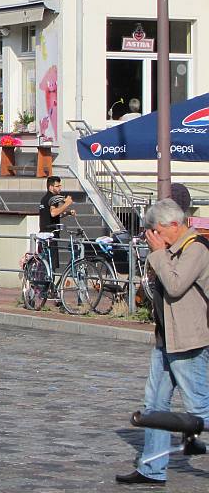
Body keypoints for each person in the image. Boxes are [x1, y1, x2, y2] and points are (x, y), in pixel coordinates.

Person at [116, 198, 209, 485]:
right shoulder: (171, 249)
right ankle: (152, 469)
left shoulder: (196, 249)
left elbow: (176, 285)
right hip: (166, 339)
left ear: (174, 225)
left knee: (200, 410)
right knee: (155, 405)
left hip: (188, 341)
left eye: (156, 230)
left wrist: (158, 253)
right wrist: (159, 253)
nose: (152, 236)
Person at [38, 176, 75, 271]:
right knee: (51, 265)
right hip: (50, 235)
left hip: (44, 233)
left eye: (60, 186)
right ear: (51, 187)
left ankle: (45, 279)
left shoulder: (45, 198)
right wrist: (67, 204)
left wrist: (67, 213)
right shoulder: (53, 198)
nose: (60, 188)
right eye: (57, 186)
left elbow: (53, 215)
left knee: (46, 265)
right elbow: (53, 213)